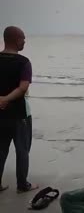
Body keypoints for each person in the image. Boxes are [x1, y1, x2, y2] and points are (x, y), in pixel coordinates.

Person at [0, 26, 38, 193]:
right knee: (22, 149)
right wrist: (6, 99)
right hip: (20, 114)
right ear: (16, 39)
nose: (24, 41)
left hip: (1, 113)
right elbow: (23, 88)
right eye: (23, 38)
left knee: (1, 149)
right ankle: (22, 185)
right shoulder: (23, 62)